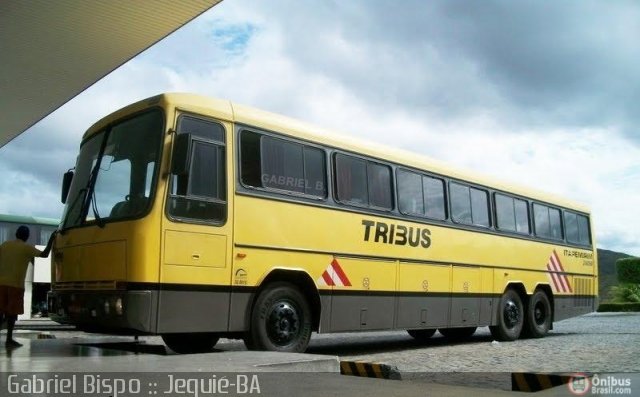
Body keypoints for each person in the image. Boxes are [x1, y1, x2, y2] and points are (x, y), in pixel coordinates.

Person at [0, 225, 55, 348]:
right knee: (12, 314)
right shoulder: (26, 248)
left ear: (16, 234)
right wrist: (51, 239)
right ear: (27, 236)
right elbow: (45, 254)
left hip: (1, 284)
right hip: (15, 285)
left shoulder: (4, 245)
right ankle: (9, 339)